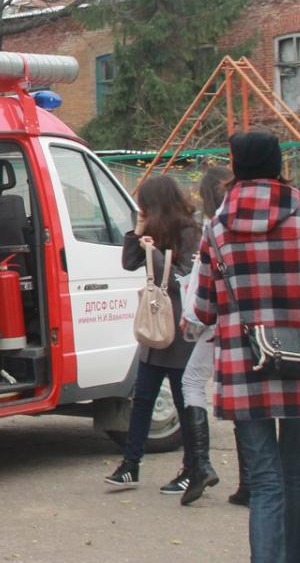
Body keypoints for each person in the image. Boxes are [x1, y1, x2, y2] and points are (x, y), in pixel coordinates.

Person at [194, 131, 300, 563]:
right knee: (295, 476)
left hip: (240, 368)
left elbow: (204, 309)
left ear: (237, 167)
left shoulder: (215, 228)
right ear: (275, 165)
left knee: (265, 481)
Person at [104, 175, 199, 493]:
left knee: (186, 403)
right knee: (142, 398)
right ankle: (130, 465)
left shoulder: (189, 231)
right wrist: (138, 232)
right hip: (154, 329)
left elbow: (183, 280)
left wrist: (155, 256)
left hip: (178, 329)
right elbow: (129, 262)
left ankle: (193, 468)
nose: (142, 211)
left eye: (145, 206)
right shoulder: (154, 230)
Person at [177, 164, 247, 506]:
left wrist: (193, 317)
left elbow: (202, 279)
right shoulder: (250, 219)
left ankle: (202, 463)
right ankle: (249, 477)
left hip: (218, 319)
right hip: (253, 319)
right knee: (241, 396)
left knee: (192, 381)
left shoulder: (213, 228)